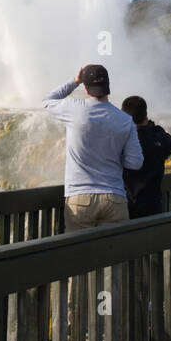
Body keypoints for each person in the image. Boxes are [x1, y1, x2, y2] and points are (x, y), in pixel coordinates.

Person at [43, 65, 144, 231]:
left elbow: (47, 101)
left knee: (80, 254)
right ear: (108, 86)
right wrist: (112, 156)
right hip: (114, 198)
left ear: (85, 87)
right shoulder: (125, 120)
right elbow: (135, 163)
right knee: (115, 256)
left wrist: (74, 81)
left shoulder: (74, 109)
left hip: (80, 198)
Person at [119, 95, 171, 218]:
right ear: (146, 114)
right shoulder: (156, 136)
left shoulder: (122, 139)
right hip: (153, 206)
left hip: (125, 205)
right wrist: (152, 127)